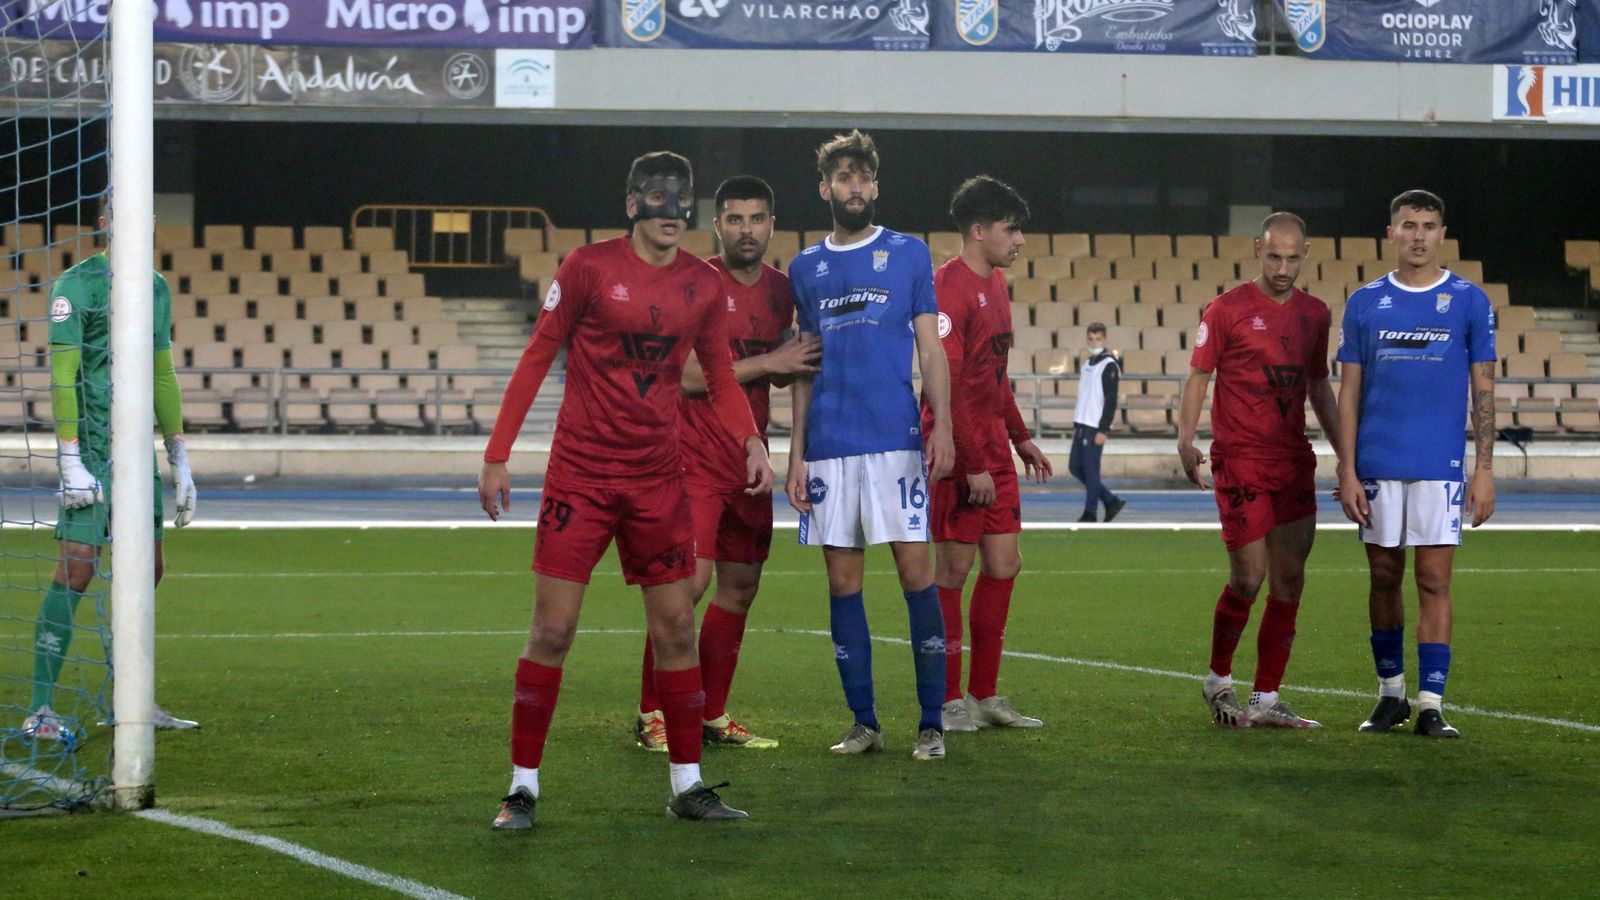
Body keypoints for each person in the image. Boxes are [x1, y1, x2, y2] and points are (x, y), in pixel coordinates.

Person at [478, 151, 774, 829]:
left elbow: (721, 376)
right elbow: (536, 356)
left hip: (657, 480)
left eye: (683, 200)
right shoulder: (587, 267)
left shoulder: (703, 285)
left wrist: (751, 439)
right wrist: (498, 456)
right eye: (658, 198)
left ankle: (687, 785)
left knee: (675, 627)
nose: (673, 212)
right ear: (633, 203)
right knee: (552, 630)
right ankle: (522, 787)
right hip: (580, 476)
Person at [785, 129, 956, 761]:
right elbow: (803, 369)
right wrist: (796, 453)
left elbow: (931, 349)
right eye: (842, 178)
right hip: (830, 445)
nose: (853, 187)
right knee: (842, 584)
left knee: (918, 577)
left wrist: (944, 427)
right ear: (825, 188)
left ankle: (932, 722)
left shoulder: (909, 254)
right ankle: (865, 722)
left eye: (863, 177)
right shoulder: (802, 269)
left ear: (875, 187)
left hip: (895, 442)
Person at [632, 175, 819, 753]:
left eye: (757, 219)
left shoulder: (783, 291)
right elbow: (687, 376)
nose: (746, 229)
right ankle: (652, 713)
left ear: (771, 225)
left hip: (751, 459)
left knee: (740, 587)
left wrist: (796, 457)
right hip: (692, 458)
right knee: (686, 587)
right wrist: (771, 361)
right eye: (734, 219)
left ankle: (711, 714)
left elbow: (797, 371)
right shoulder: (694, 280)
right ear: (717, 225)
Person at [24, 198, 200, 744]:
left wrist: (179, 456)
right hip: (91, 451)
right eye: (125, 214)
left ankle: (133, 699)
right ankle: (40, 707)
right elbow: (62, 374)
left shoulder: (155, 288)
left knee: (147, 572)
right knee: (77, 569)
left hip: (135, 455)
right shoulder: (76, 287)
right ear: (104, 223)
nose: (138, 225)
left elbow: (162, 372)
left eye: (146, 216)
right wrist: (71, 458)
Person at [1335, 189, 1496, 739]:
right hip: (1377, 463)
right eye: (1409, 225)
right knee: (1384, 575)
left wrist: (1485, 468)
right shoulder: (1365, 302)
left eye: (1429, 225)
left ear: (1442, 234)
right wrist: (1346, 468)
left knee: (1433, 579)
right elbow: (1349, 393)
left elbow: (1484, 390)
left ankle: (1431, 703)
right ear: (1392, 233)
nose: (1419, 235)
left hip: (1440, 465)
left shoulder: (1469, 302)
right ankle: (1390, 695)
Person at [1177, 212, 1339, 730]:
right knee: (1249, 577)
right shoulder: (1226, 310)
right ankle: (1218, 679)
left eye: (1293, 257)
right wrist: (1185, 439)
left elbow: (1319, 387)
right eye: (1274, 256)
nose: (1284, 267)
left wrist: (1349, 457)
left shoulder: (1316, 314)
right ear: (1257, 249)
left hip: (1292, 461)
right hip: (1241, 457)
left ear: (1306, 253)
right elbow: (1199, 375)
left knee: (1290, 581)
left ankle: (1266, 698)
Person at [922, 175, 1053, 733]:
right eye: (1011, 228)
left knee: (1004, 564)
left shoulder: (996, 284)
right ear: (979, 231)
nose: (1019, 239)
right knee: (953, 569)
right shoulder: (946, 289)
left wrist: (1019, 436)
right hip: (955, 449)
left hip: (992, 448)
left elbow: (993, 375)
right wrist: (973, 460)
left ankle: (985, 694)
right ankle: (949, 700)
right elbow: (945, 383)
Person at [1068, 323, 1125, 523]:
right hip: (1083, 424)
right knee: (1075, 466)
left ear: (1105, 340)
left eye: (1098, 339)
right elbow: (1083, 397)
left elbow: (1111, 401)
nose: (1094, 343)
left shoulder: (1109, 365)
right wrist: (1077, 425)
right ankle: (1110, 500)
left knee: (1091, 470)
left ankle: (1090, 513)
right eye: (1091, 339)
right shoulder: (1087, 365)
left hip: (1095, 426)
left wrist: (1103, 429)